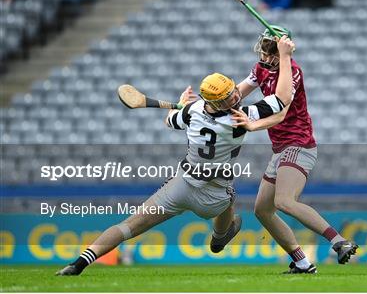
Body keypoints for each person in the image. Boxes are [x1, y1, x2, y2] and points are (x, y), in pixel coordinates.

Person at [55, 36, 296, 276]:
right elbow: (283, 97)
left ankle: (78, 264)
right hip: (214, 196)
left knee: (128, 226)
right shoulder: (241, 117)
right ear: (219, 101)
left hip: (180, 187)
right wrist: (284, 57)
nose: (235, 95)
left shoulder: (192, 110)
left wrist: (179, 104)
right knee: (229, 198)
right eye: (229, 96)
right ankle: (220, 237)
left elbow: (170, 120)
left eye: (233, 90)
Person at [234, 26, 358, 274]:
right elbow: (236, 94)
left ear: (279, 51)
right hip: (280, 149)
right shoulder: (260, 69)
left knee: (284, 201)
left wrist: (252, 125)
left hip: (298, 144)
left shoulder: (293, 71)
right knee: (262, 210)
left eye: (269, 50)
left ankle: (339, 241)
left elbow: (279, 114)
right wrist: (208, 103)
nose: (263, 54)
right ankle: (302, 262)